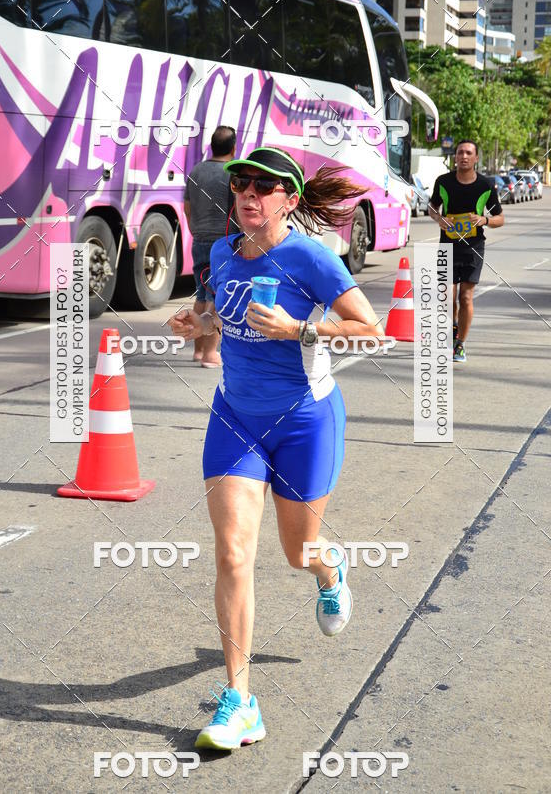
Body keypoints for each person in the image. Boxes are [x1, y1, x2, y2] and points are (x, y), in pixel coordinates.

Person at [168, 147, 384, 750]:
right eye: (241, 183)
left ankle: (329, 570)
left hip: (304, 422)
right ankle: (241, 701)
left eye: (265, 186)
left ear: (289, 200)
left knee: (297, 551)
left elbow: (372, 328)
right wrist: (199, 322)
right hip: (235, 418)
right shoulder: (221, 253)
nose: (248, 193)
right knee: (234, 555)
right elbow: (220, 316)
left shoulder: (311, 258)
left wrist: (300, 330)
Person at [428, 140, 504, 363]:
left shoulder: (485, 185)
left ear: (476, 158)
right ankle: (452, 328)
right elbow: (433, 207)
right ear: (455, 157)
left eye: (469, 153)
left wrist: (484, 220)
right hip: (447, 245)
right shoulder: (443, 182)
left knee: (466, 297)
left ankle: (460, 344)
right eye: (460, 152)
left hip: (473, 248)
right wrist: (439, 219)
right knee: (446, 297)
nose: (464, 156)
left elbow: (500, 218)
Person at [183, 125, 237, 368]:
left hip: (199, 238)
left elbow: (186, 207)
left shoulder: (196, 170)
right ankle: (210, 354)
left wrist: (195, 229)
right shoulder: (230, 173)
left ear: (211, 146)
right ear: (234, 148)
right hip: (223, 241)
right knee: (217, 295)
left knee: (201, 291)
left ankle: (197, 351)